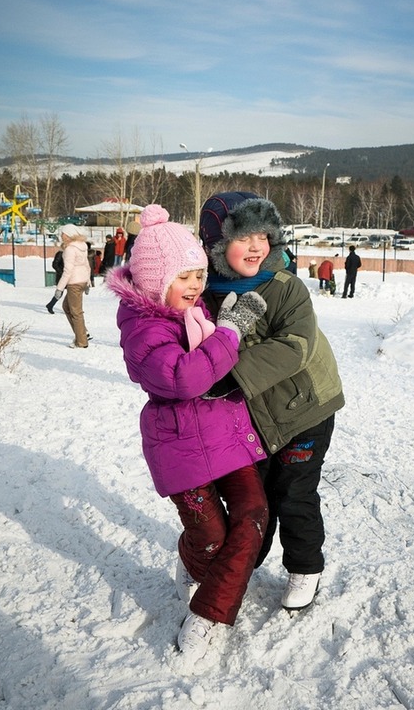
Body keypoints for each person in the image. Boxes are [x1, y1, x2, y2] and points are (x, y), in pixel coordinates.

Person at [106, 204, 269, 663]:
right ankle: (193, 556)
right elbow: (184, 378)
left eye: (199, 274)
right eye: (185, 276)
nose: (197, 285)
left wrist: (227, 327)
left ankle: (208, 615)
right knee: (211, 538)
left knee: (254, 514)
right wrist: (230, 334)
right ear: (157, 281)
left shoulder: (197, 314)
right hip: (180, 446)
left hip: (225, 434)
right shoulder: (143, 330)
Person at [199, 192, 344, 613]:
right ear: (216, 244)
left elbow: (295, 345)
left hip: (305, 410)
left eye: (264, 235)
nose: (257, 246)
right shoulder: (205, 292)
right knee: (255, 497)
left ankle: (305, 567)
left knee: (293, 493)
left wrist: (227, 374)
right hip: (253, 417)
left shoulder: (285, 286)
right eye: (244, 237)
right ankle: (244, 563)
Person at [53, 224, 91, 348]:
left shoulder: (70, 249)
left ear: (69, 235)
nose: (61, 236)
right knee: (67, 306)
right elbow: (87, 265)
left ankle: (81, 341)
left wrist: (59, 288)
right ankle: (82, 333)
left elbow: (67, 270)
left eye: (63, 234)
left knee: (76, 312)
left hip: (74, 283)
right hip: (81, 281)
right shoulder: (82, 246)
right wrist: (87, 282)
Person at [45, 248, 65, 314]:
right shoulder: (60, 253)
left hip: (68, 276)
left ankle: (51, 305)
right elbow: (55, 264)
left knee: (71, 292)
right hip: (61, 277)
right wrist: (61, 272)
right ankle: (50, 305)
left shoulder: (70, 254)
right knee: (59, 293)